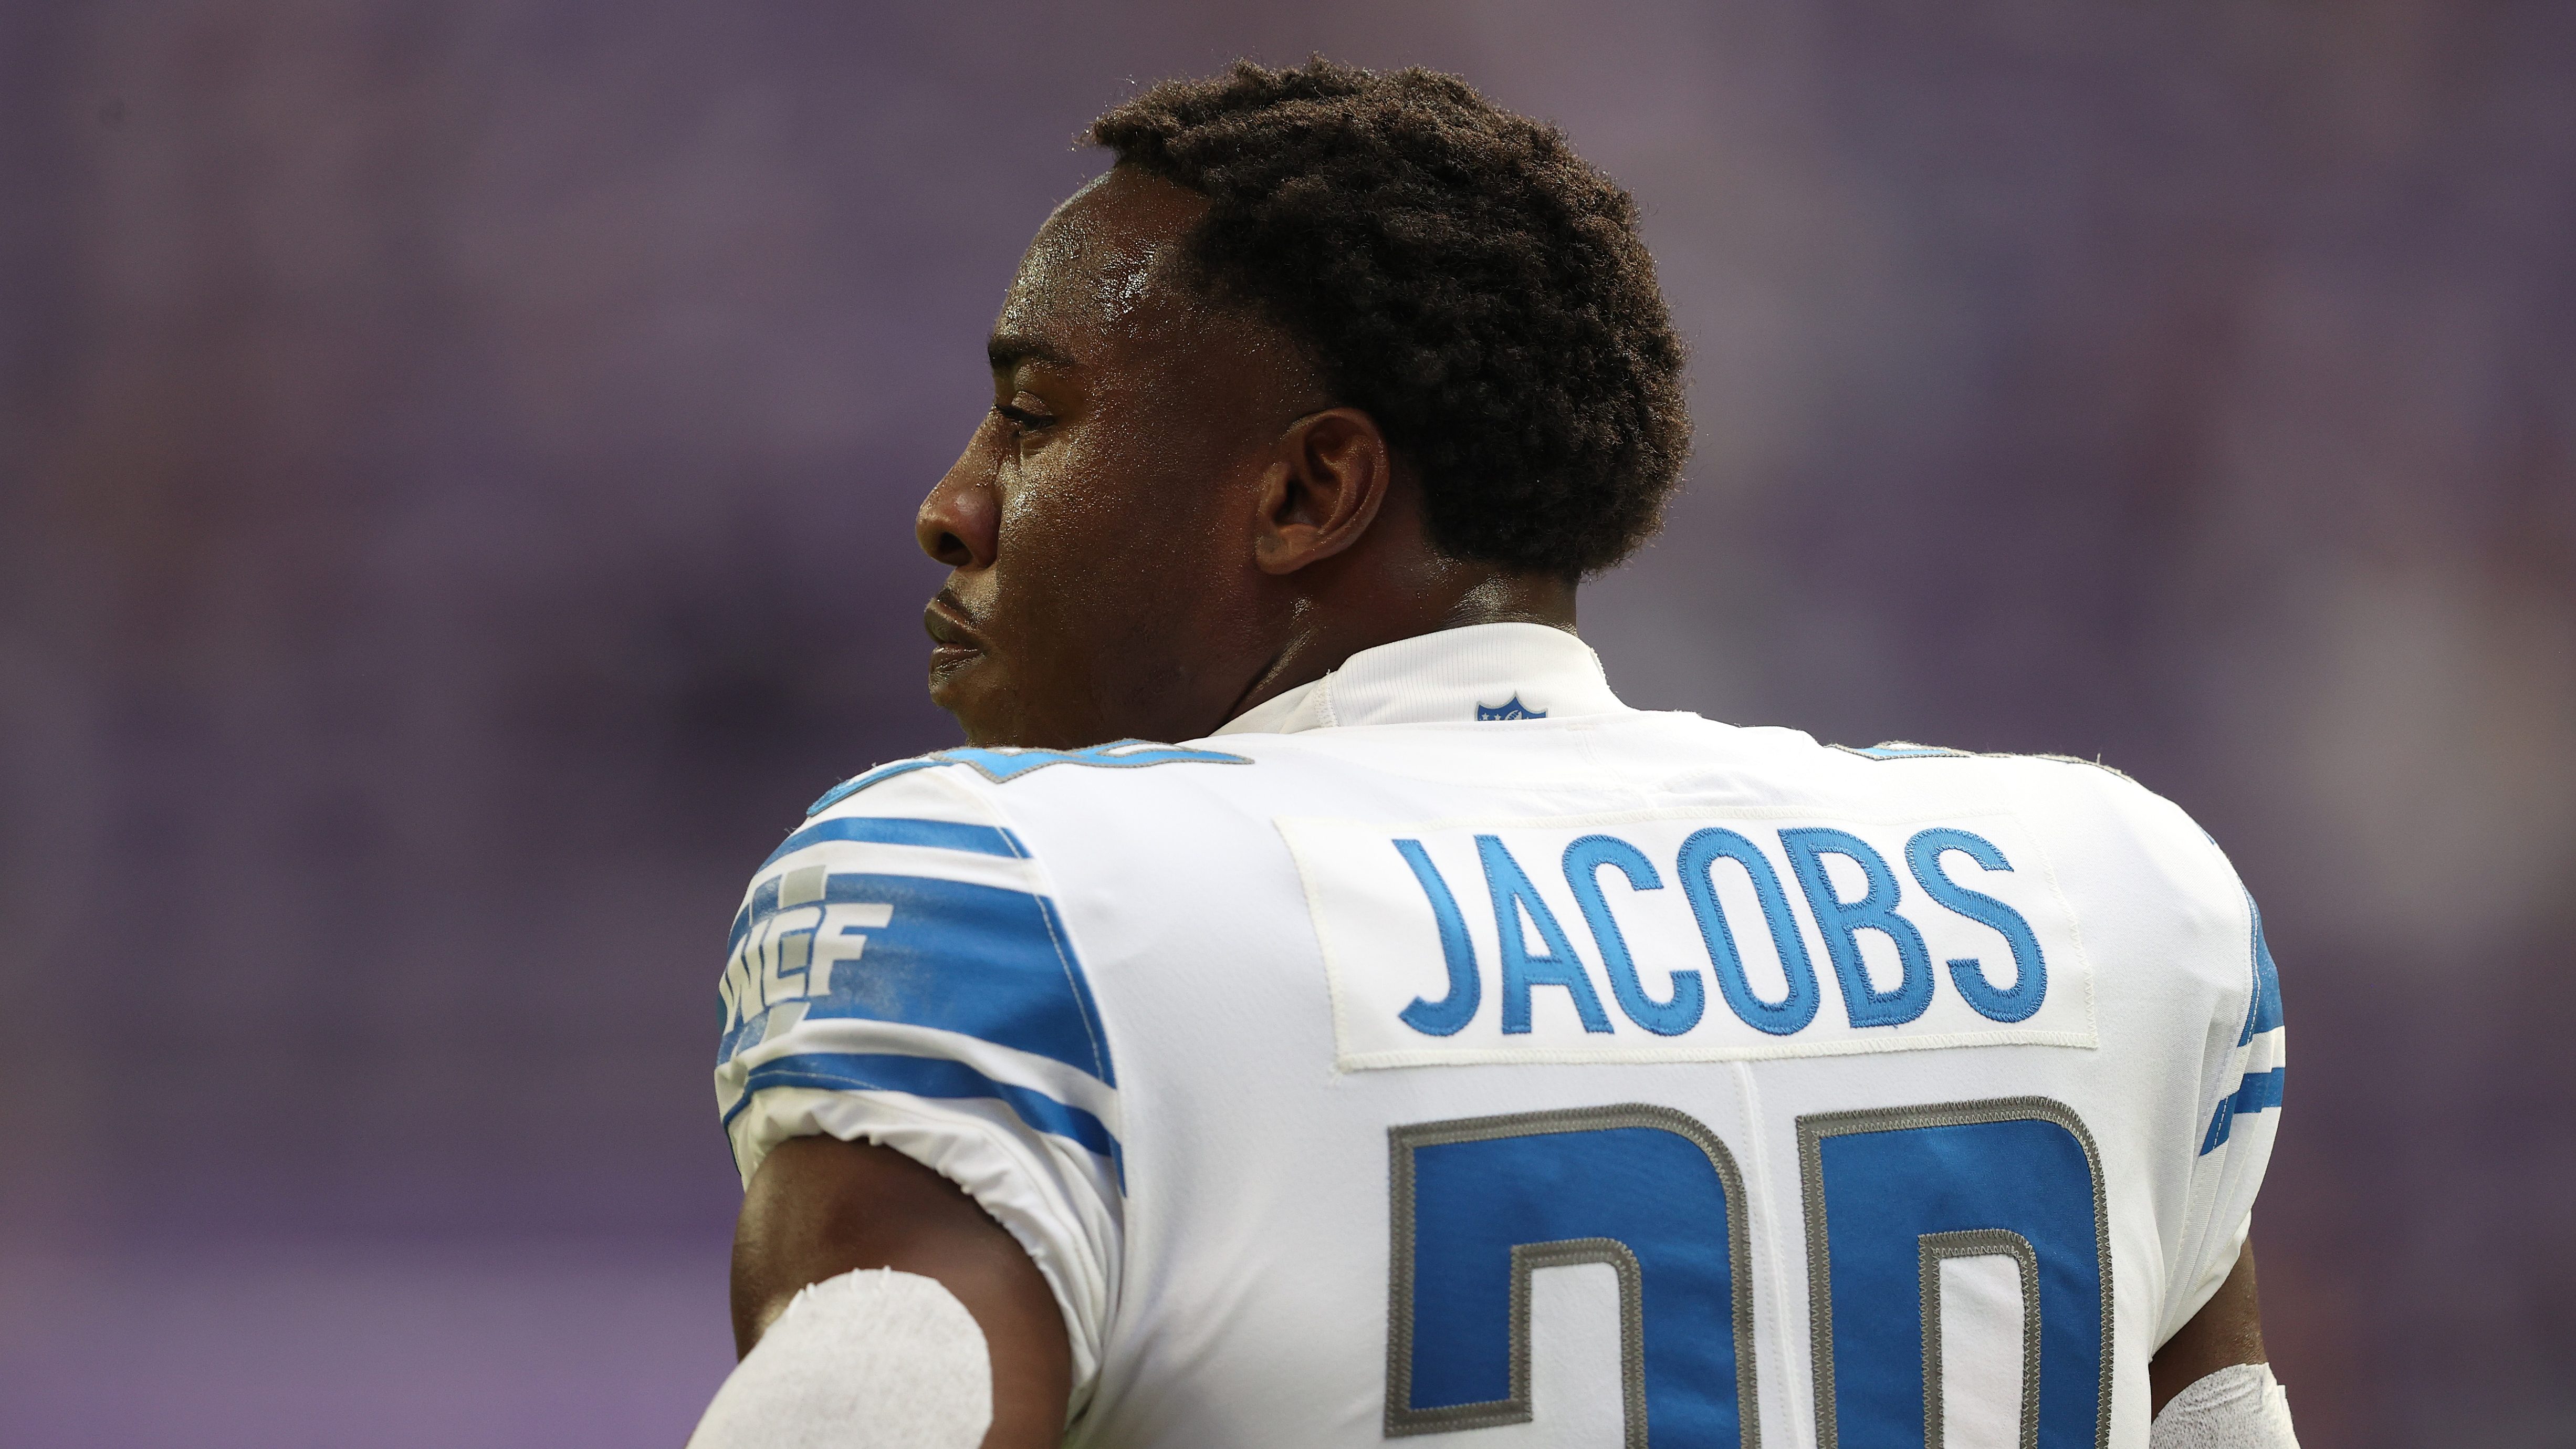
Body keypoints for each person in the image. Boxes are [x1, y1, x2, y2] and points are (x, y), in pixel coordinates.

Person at [685, 57, 2296, 1449]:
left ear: (1311, 494)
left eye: (1033, 418)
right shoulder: (2106, 888)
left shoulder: (1016, 894)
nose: (951, 504)